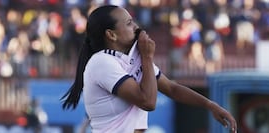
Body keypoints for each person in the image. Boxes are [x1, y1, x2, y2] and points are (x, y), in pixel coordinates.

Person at [61, 5, 237, 133]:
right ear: (111, 34)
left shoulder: (134, 58)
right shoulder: (101, 62)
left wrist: (210, 105)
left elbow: (172, 88)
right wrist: (147, 57)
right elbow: (147, 101)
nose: (136, 27)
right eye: (129, 23)